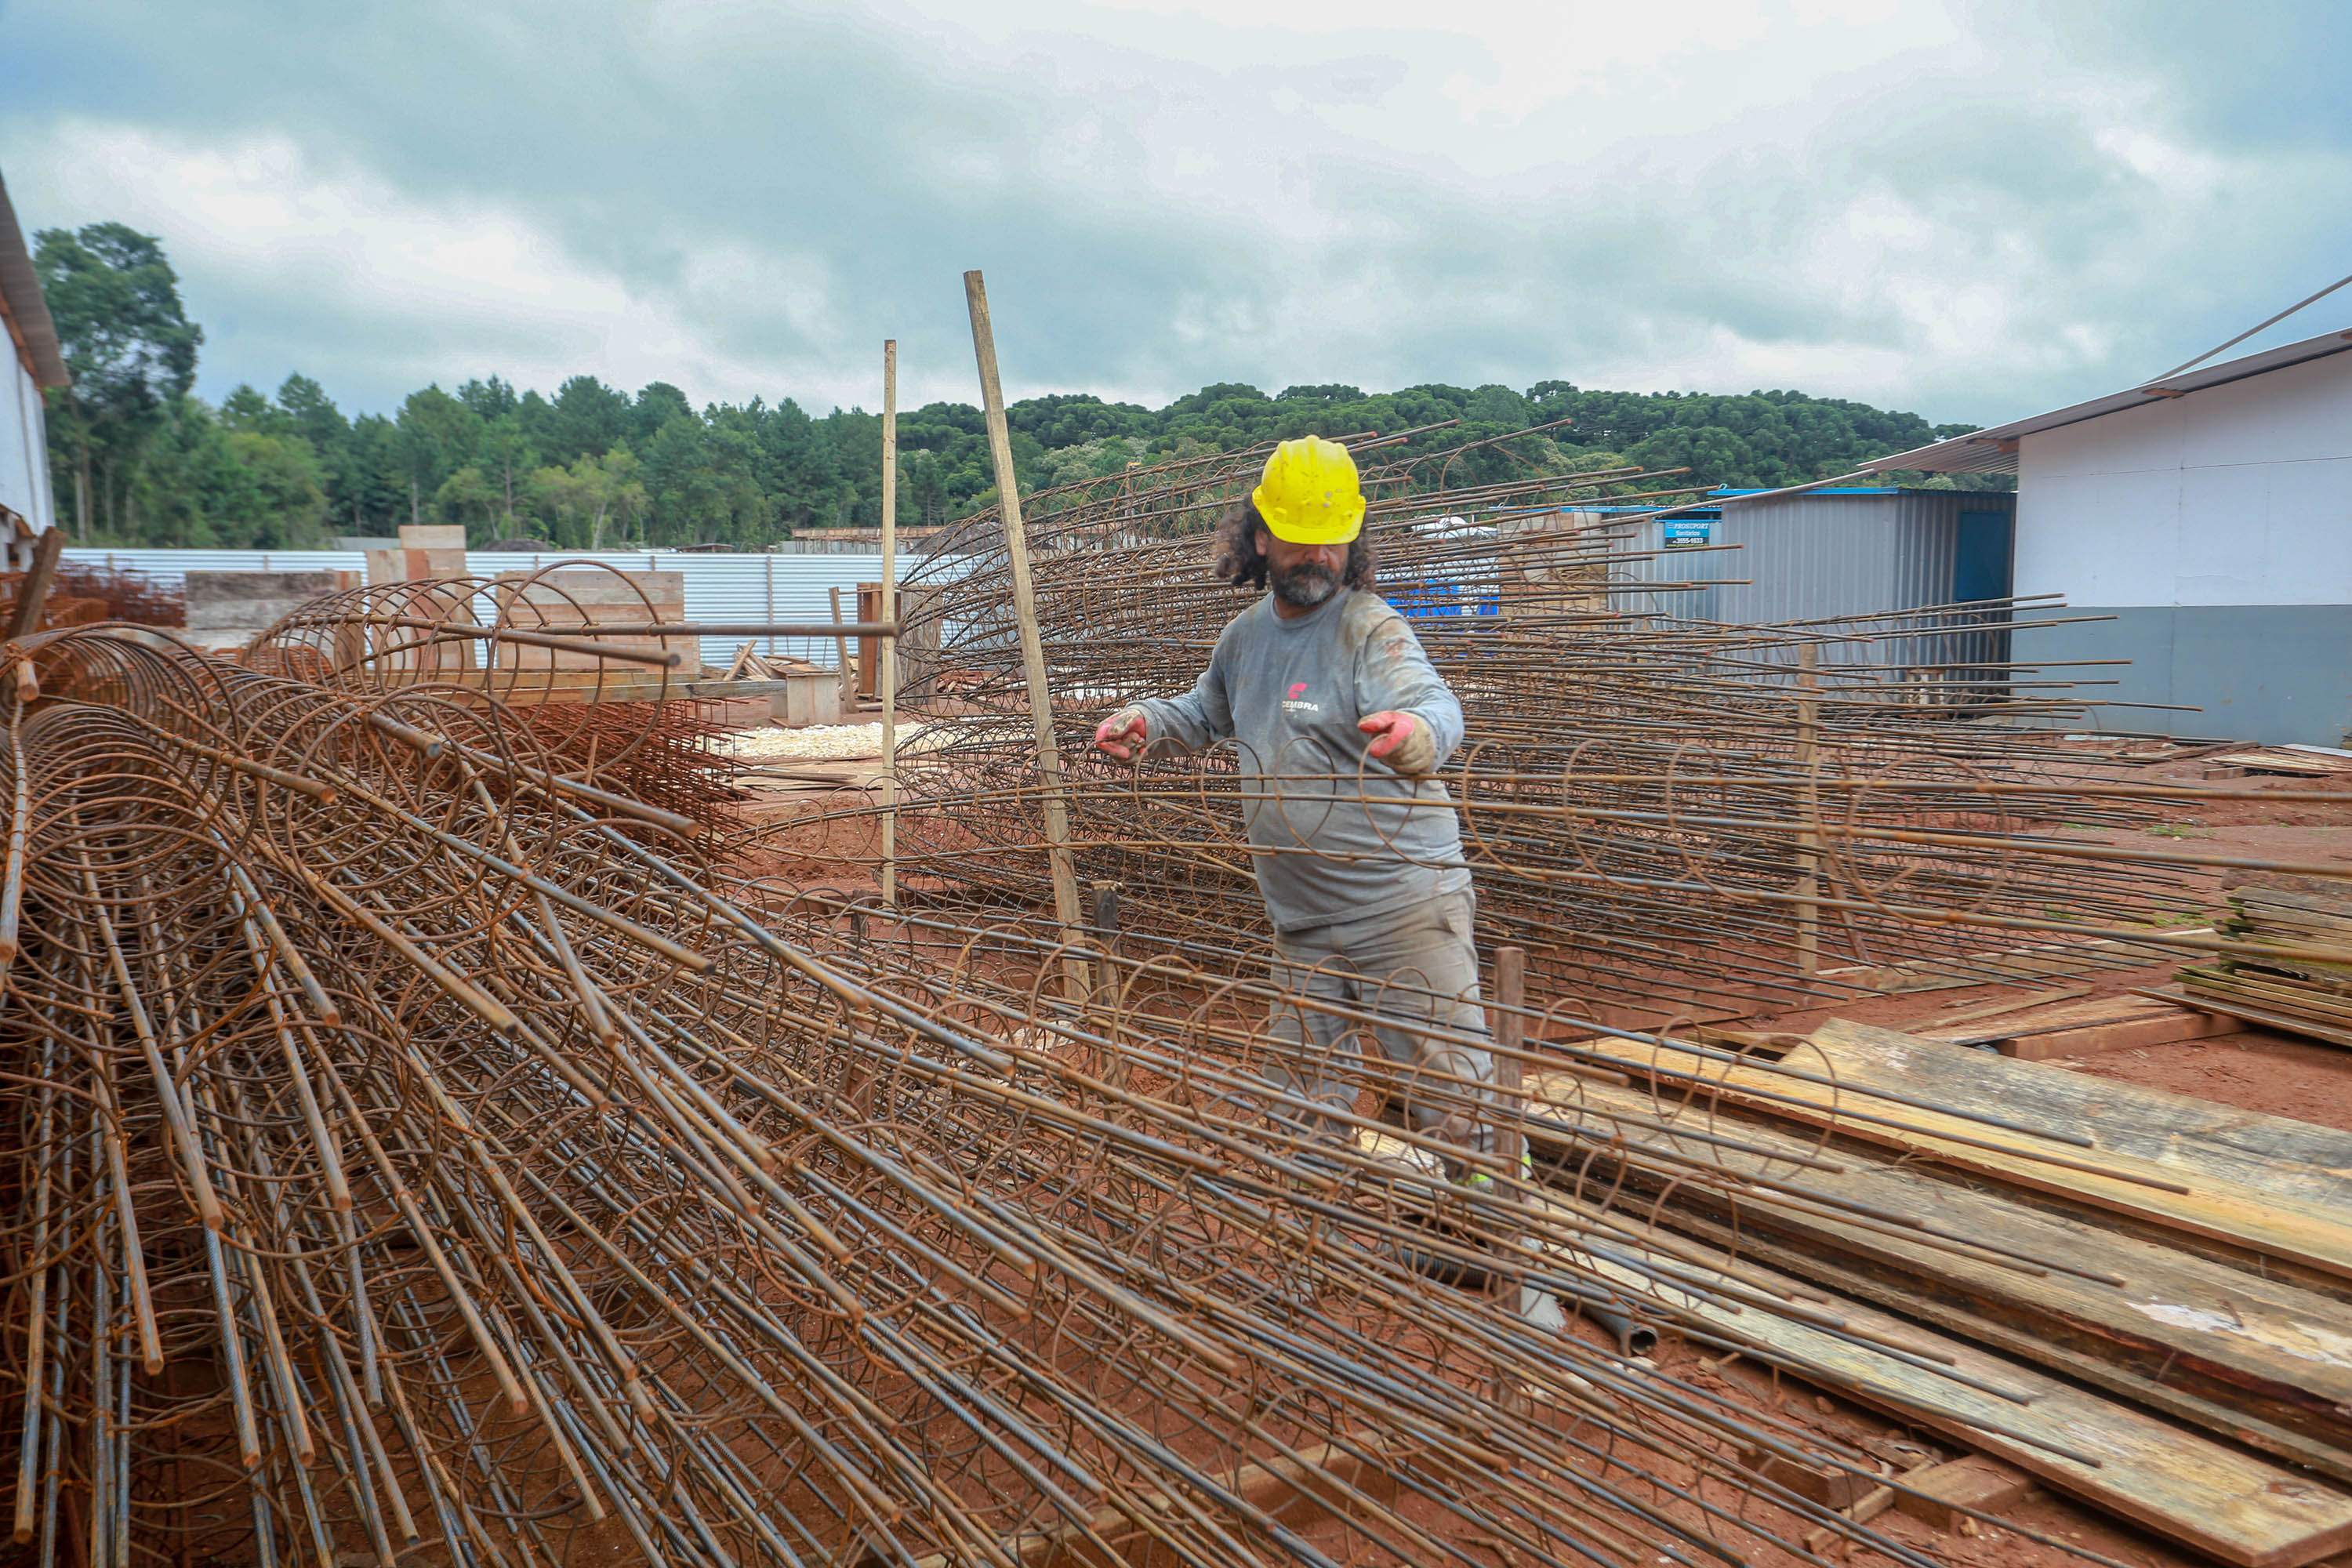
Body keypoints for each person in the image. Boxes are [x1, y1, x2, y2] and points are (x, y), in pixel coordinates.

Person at [1093, 435, 1494, 1174]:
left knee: (1454, 1100)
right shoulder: (1246, 639)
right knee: (1303, 1109)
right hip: (1304, 922)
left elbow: (1434, 704)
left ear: (1352, 543)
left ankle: (1500, 1248)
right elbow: (1206, 713)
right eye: (1299, 541)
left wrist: (1417, 735)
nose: (1317, 558)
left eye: (1332, 544)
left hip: (1399, 907)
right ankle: (1322, 1253)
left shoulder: (1370, 630)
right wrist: (1148, 723)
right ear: (1260, 539)